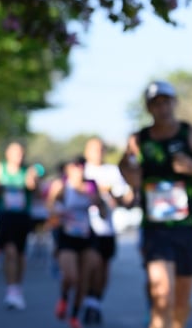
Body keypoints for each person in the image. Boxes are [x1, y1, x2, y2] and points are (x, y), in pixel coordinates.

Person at [119, 80, 192, 328]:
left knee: (180, 300)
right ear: (148, 108)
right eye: (156, 103)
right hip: (156, 227)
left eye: (166, 102)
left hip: (189, 224)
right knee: (161, 294)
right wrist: (128, 167)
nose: (162, 108)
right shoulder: (139, 140)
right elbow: (127, 171)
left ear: (174, 103)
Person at [46, 156, 106, 328]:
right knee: (71, 276)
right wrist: (58, 213)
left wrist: (99, 202)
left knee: (84, 277)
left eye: (81, 167)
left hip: (86, 236)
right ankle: (64, 298)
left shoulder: (91, 186)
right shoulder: (62, 186)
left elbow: (103, 214)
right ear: (68, 170)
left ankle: (74, 315)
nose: (79, 170)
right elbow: (49, 208)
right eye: (75, 167)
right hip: (67, 237)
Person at [82, 136, 135, 325]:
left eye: (101, 149)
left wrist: (117, 196)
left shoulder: (112, 172)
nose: (98, 152)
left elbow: (124, 198)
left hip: (108, 229)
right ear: (87, 151)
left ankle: (95, 303)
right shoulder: (82, 171)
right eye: (94, 149)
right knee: (92, 265)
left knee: (104, 270)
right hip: (86, 229)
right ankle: (88, 300)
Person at [0, 141, 40, 310]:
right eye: (15, 153)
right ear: (8, 154)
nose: (18, 157)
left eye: (21, 153)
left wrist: (31, 179)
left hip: (22, 216)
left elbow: (34, 190)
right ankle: (11, 290)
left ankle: (17, 287)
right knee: (10, 251)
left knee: (20, 254)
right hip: (6, 215)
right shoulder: (0, 168)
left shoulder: (28, 171)